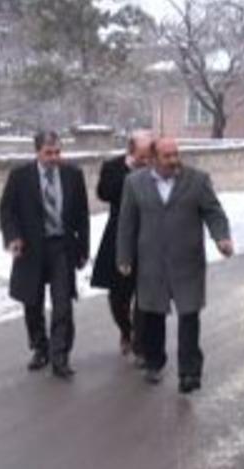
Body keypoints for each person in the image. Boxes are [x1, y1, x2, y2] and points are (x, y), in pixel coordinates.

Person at [116, 137, 233, 393]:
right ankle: (155, 363)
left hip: (187, 261)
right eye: (167, 156)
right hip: (152, 261)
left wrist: (221, 237)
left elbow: (214, 212)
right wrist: (124, 257)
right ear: (153, 159)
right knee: (153, 315)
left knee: (189, 316)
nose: (173, 160)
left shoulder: (197, 180)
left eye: (176, 154)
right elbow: (126, 223)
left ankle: (189, 372)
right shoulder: (134, 183)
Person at [0, 131, 90, 379]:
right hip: (31, 248)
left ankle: (61, 357)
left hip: (62, 247)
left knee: (63, 304)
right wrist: (13, 237)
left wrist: (83, 249)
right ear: (37, 152)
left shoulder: (73, 175)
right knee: (33, 302)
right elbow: (7, 210)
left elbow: (82, 215)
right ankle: (40, 348)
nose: (54, 158)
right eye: (48, 153)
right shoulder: (20, 177)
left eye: (58, 152)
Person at [90, 131, 153, 363]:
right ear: (131, 152)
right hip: (119, 237)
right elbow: (104, 193)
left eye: (150, 156)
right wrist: (131, 174)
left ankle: (140, 346)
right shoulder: (113, 167)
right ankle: (126, 331)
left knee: (145, 296)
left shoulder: (157, 167)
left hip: (149, 239)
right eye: (143, 156)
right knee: (118, 296)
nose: (147, 161)